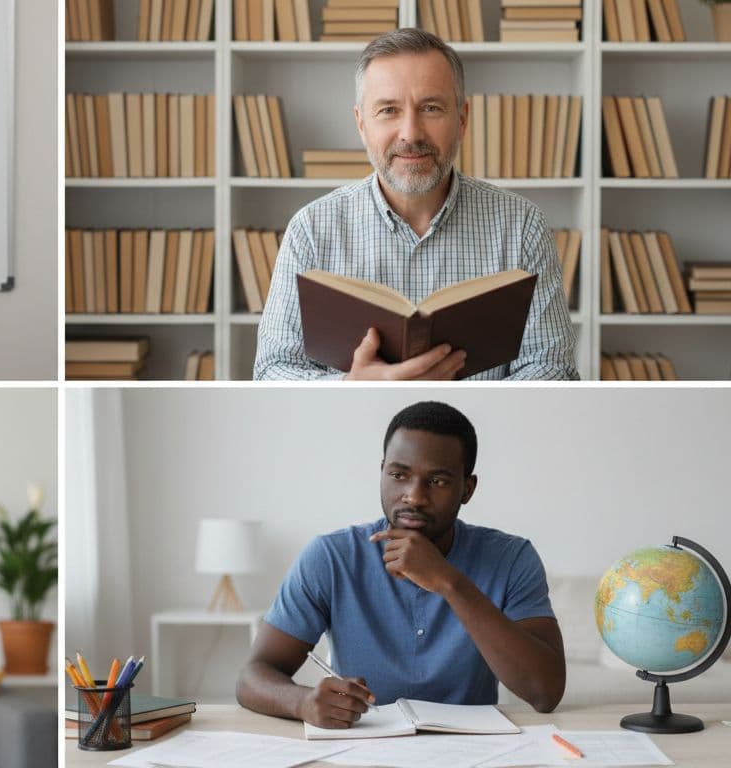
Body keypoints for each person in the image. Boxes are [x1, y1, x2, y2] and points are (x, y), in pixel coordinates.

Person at [253, 29, 577, 381]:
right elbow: (272, 370)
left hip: (482, 436)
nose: (411, 133)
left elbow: (552, 369)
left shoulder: (523, 227)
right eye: (388, 110)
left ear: (463, 119)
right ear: (361, 124)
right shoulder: (311, 230)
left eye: (431, 108)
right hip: (349, 434)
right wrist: (348, 386)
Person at [236, 401, 565, 729]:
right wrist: (302, 702)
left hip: (471, 752)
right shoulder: (331, 557)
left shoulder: (512, 558)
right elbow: (252, 677)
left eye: (437, 481)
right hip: (364, 744)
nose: (414, 496)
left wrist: (449, 582)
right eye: (399, 475)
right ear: (382, 472)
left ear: (467, 488)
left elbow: (545, 693)